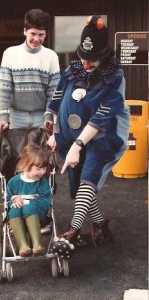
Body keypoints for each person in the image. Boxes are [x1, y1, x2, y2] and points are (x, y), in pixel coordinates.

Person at [47, 15, 130, 248]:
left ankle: (73, 231)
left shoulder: (115, 78)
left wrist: (78, 146)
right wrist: (54, 132)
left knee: (88, 179)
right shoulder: (72, 70)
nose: (85, 63)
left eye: (92, 59)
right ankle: (102, 229)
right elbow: (56, 100)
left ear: (104, 56)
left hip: (100, 138)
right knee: (82, 184)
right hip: (70, 137)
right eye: (83, 56)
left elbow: (101, 116)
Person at [0, 8, 60, 133]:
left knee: (40, 153)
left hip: (42, 118)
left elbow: (53, 92)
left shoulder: (51, 56)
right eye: (33, 34)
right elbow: (4, 90)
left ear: (46, 34)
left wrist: (49, 117)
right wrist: (4, 118)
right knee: (18, 153)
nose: (36, 39)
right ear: (25, 31)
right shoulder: (10, 53)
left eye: (41, 35)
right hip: (16, 117)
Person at [6, 143, 52, 256]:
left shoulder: (42, 183)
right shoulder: (13, 182)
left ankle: (37, 244)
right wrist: (14, 201)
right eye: (38, 168)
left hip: (37, 215)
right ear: (26, 165)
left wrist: (26, 201)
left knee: (29, 206)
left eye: (44, 168)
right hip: (18, 216)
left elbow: (46, 201)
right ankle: (23, 246)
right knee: (14, 210)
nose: (42, 172)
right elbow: (8, 201)